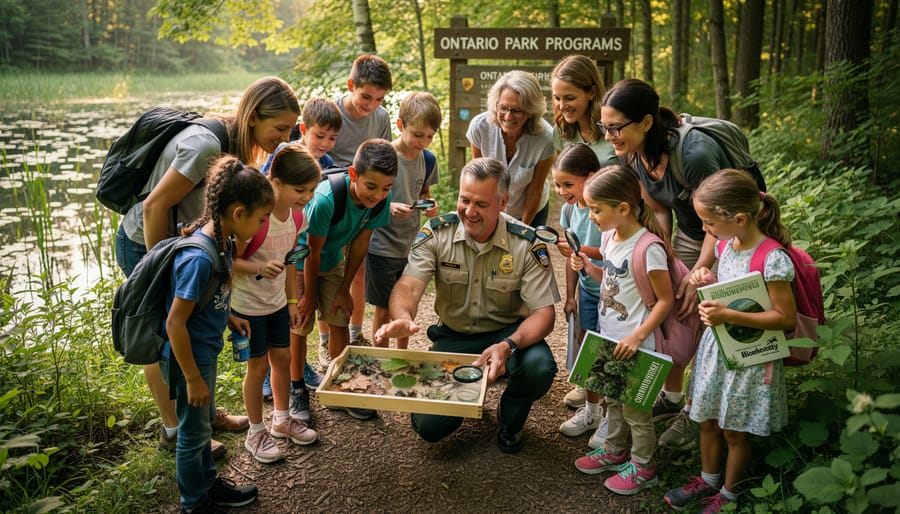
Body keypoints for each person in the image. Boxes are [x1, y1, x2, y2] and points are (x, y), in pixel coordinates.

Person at [114, 76, 300, 456]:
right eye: (279, 128)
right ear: (253, 119)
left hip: (184, 246)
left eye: (290, 129)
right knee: (162, 335)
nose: (284, 137)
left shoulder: (236, 148)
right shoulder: (206, 145)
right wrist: (165, 268)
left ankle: (204, 414)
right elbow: (153, 207)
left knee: (193, 331)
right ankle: (175, 430)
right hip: (147, 243)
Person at [374, 157, 560, 454]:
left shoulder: (527, 243)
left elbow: (544, 313)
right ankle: (468, 391)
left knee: (538, 367)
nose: (469, 212)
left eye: (482, 205)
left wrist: (508, 345)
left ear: (503, 202)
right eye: (465, 200)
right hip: (455, 338)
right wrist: (403, 316)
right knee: (429, 427)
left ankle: (511, 415)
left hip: (508, 335)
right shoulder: (438, 232)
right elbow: (408, 285)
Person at [600, 78, 731, 449]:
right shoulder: (633, 152)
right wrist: (667, 254)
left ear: (645, 122)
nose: (609, 135)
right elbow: (657, 205)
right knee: (677, 311)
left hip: (728, 231)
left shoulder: (695, 154)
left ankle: (698, 412)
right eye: (604, 127)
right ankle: (672, 399)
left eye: (615, 127)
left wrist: (698, 274)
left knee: (704, 319)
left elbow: (718, 217)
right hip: (692, 230)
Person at [663, 169, 795, 513]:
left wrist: (729, 316)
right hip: (717, 350)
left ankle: (730, 494)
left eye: (708, 223)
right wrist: (707, 277)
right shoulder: (726, 245)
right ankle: (706, 480)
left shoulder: (772, 258)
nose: (704, 231)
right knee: (706, 420)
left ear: (739, 218)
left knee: (734, 429)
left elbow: (784, 317)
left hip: (750, 357)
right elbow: (733, 290)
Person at [160, 156, 272, 513]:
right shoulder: (200, 257)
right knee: (193, 436)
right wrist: (192, 378)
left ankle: (208, 485)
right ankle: (194, 503)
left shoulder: (223, 240)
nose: (264, 224)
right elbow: (175, 323)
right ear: (239, 213)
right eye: (262, 218)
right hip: (188, 359)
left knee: (203, 427)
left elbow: (207, 301)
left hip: (203, 351)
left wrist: (230, 317)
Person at [569, 165, 674, 495]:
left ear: (623, 208)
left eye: (596, 210)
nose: (591, 218)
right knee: (612, 400)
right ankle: (615, 451)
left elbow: (665, 300)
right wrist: (589, 268)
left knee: (636, 412)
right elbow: (611, 285)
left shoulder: (649, 248)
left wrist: (638, 335)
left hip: (636, 343)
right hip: (610, 337)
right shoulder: (609, 237)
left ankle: (644, 467)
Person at [292, 139, 397, 420]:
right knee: (300, 326)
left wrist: (344, 289)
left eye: (386, 188)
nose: (378, 194)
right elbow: (311, 252)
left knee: (339, 318)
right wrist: (307, 296)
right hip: (304, 262)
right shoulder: (327, 199)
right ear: (354, 175)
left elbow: (361, 245)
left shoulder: (379, 202)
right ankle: (297, 388)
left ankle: (340, 386)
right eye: (371, 186)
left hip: (333, 259)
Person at [232, 144, 320, 464]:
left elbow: (292, 259)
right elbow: (230, 261)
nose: (307, 197)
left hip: (278, 303)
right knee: (257, 367)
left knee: (282, 359)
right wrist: (257, 267)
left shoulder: (297, 217)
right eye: (300, 189)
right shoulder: (258, 216)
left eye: (311, 190)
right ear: (276, 182)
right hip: (249, 305)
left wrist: (293, 300)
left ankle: (281, 419)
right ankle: (255, 431)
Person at [258, 96, 344, 398]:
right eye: (320, 135)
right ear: (304, 129)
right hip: (274, 243)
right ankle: (271, 373)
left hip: (303, 244)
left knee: (299, 317)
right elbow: (264, 184)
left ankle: (299, 365)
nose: (324, 143)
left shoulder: (328, 165)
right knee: (280, 313)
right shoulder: (284, 153)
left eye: (332, 138)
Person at [551, 55, 619, 412]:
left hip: (610, 240)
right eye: (558, 98)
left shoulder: (612, 142)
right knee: (586, 318)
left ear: (592, 93)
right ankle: (587, 382)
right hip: (584, 238)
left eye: (570, 98)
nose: (563, 106)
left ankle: (607, 389)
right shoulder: (566, 134)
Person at [323, 54, 394, 362]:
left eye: (379, 99)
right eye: (366, 96)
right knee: (330, 268)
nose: (372, 104)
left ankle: (354, 330)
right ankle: (326, 338)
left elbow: (387, 159)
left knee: (358, 266)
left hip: (366, 201)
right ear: (351, 85)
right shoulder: (334, 113)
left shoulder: (380, 118)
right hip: (336, 201)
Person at [367, 91, 441, 349]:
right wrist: (389, 207)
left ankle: (401, 355)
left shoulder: (428, 159)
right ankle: (381, 357)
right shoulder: (384, 156)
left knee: (406, 306)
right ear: (400, 126)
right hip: (381, 245)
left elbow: (424, 193)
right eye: (418, 135)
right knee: (384, 309)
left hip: (410, 245)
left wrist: (430, 206)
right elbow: (367, 199)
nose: (423, 141)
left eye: (430, 136)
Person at [550, 144, 608, 448]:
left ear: (592, 177)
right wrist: (571, 294)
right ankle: (592, 410)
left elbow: (611, 251)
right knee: (589, 348)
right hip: (586, 291)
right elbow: (571, 254)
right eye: (557, 184)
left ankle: (612, 417)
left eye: (568, 184)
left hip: (613, 294)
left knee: (610, 351)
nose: (561, 190)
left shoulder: (606, 208)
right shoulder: (569, 210)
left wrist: (582, 252)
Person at [466, 70, 555, 227]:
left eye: (516, 110)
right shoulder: (479, 127)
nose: (508, 116)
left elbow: (535, 189)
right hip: (492, 208)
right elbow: (479, 179)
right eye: (503, 108)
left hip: (531, 210)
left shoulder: (546, 137)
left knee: (524, 250)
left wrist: (523, 229)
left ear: (530, 111)